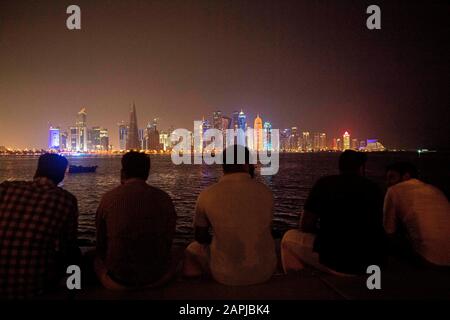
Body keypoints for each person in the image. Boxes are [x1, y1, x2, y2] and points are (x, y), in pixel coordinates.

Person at [183, 145, 277, 286]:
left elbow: (200, 237)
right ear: (247, 164)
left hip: (224, 275)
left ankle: (197, 288)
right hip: (265, 272)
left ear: (223, 165)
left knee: (192, 249)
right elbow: (266, 229)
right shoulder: (266, 192)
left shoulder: (207, 195)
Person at [281, 150, 385, 275]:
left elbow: (305, 225)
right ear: (361, 168)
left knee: (288, 238)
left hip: (336, 261)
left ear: (340, 166)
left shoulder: (325, 184)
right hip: (371, 261)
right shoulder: (374, 188)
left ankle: (300, 281)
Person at [0, 153, 79, 299]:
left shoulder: (6, 188)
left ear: (37, 171)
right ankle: (74, 291)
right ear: (61, 176)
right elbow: (68, 245)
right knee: (76, 262)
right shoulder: (66, 200)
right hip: (34, 287)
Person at [95, 151, 177, 289]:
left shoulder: (108, 198)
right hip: (156, 277)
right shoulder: (164, 198)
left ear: (123, 172)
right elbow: (168, 238)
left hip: (117, 279)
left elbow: (101, 242)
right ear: (147, 173)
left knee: (92, 259)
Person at [384, 162, 450, 266]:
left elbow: (388, 231)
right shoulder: (434, 190)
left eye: (392, 177)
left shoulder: (394, 190)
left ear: (406, 176)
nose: (387, 182)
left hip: (427, 258)